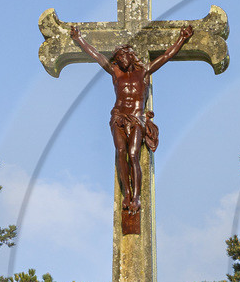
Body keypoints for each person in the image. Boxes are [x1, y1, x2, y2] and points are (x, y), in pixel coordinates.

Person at [69, 22, 194, 232]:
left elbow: (165, 56)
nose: (120, 60)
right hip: (118, 116)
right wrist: (79, 39)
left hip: (136, 118)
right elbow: (96, 56)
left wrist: (182, 38)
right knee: (120, 152)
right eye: (117, 58)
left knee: (134, 154)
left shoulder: (143, 72)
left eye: (123, 56)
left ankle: (136, 197)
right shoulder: (115, 73)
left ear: (129, 55)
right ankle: (126, 193)